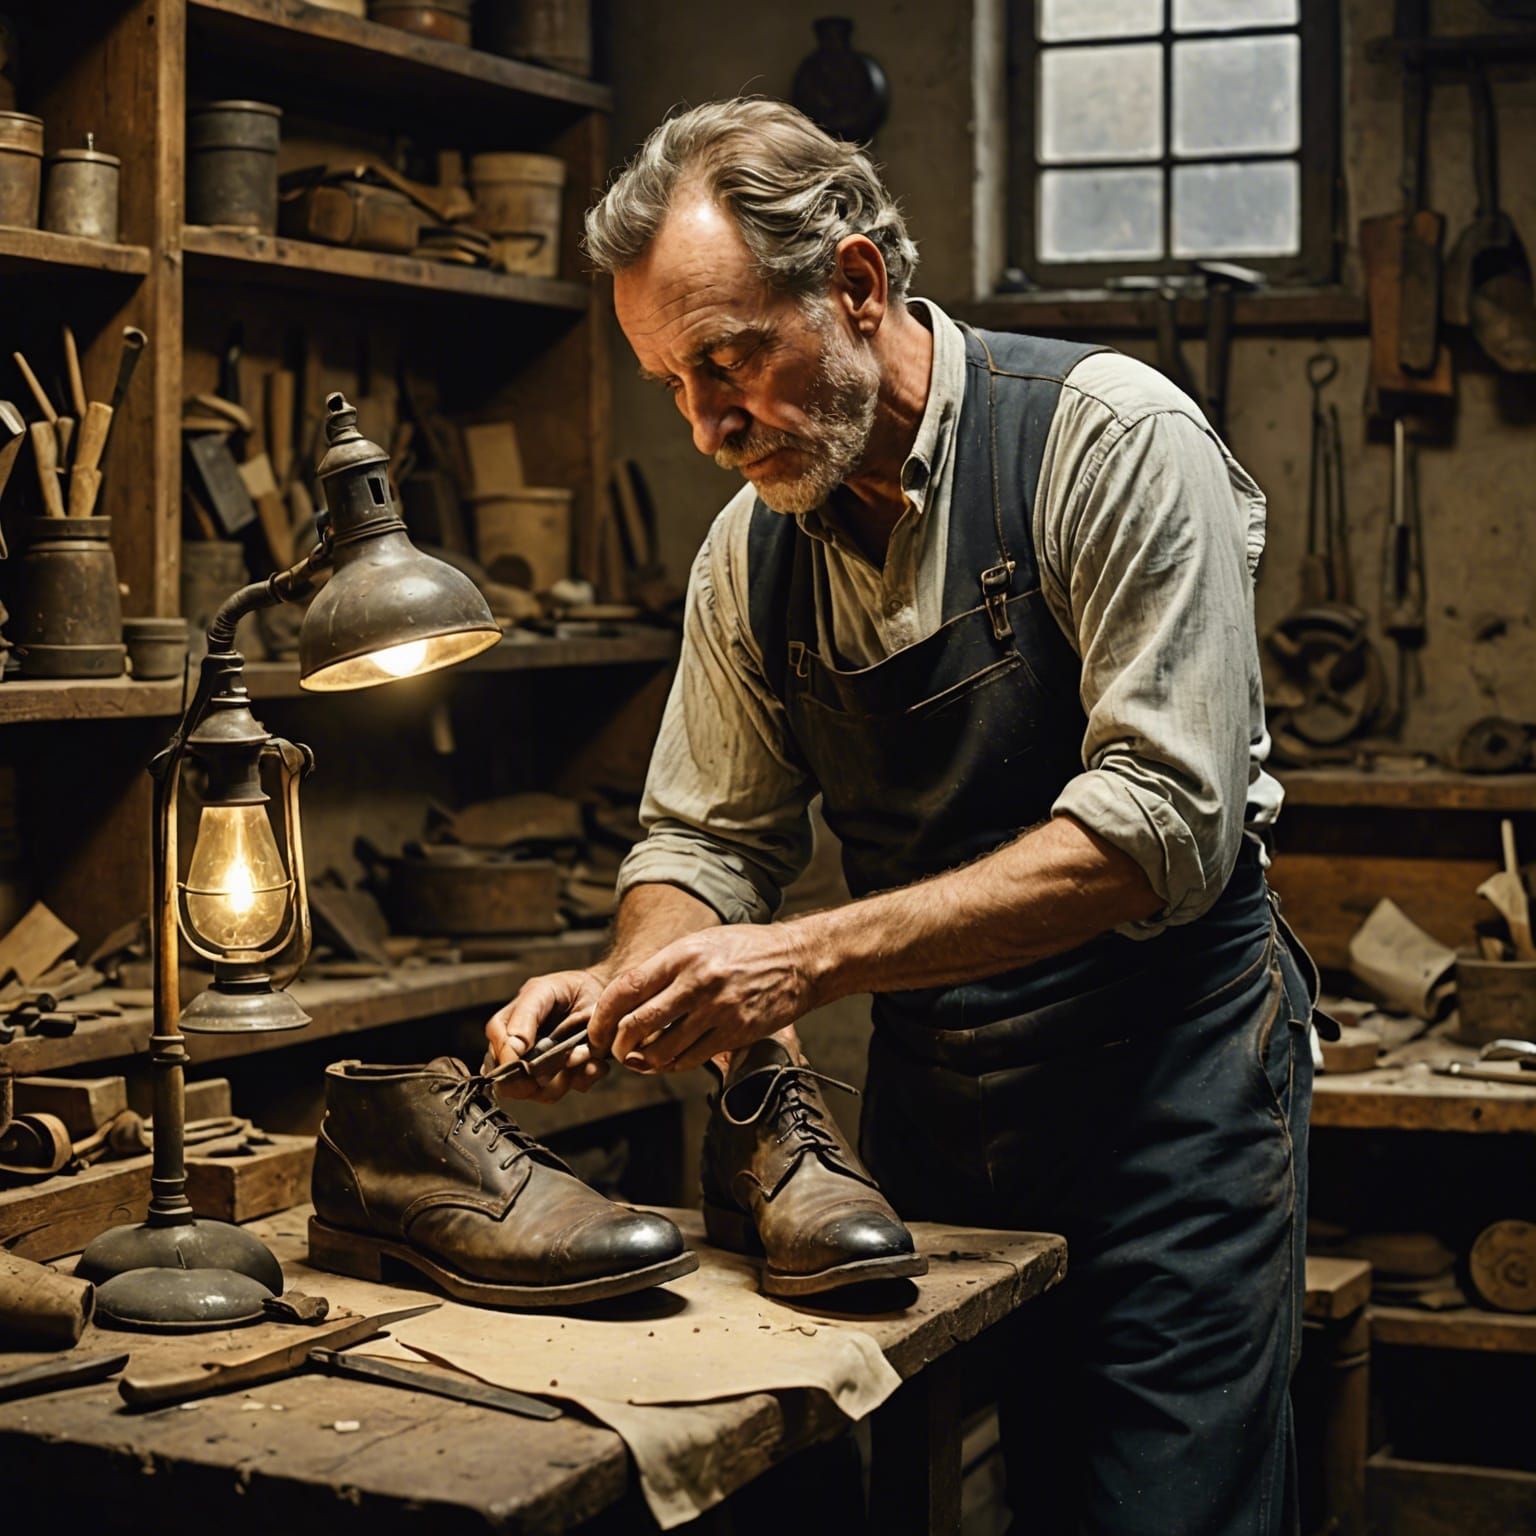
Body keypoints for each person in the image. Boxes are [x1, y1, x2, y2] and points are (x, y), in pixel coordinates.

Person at [486, 97, 1327, 1534]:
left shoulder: (1108, 440)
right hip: (946, 1094)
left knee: (1158, 1505)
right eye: (671, 385)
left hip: (1169, 1091)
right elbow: (703, 841)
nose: (705, 424)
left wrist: (802, 959)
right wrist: (634, 977)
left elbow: (1159, 825)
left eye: (727, 360)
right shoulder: (750, 551)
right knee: (930, 1490)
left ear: (859, 289)